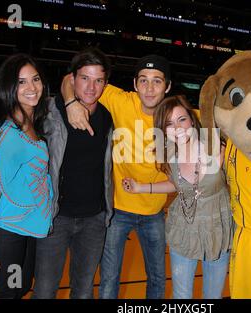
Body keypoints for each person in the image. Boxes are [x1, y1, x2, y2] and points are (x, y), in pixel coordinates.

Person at [62, 55, 171, 299]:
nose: (150, 88)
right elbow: (70, 79)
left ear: (168, 86)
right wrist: (70, 103)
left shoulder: (176, 116)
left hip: (154, 213)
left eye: (157, 81)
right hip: (117, 211)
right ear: (134, 84)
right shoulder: (120, 100)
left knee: (156, 278)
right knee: (109, 279)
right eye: (143, 81)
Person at [122, 95, 234, 299]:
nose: (178, 128)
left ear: (192, 119)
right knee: (181, 296)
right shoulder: (169, 153)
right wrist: (141, 187)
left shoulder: (217, 147)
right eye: (169, 124)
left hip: (217, 228)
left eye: (181, 119)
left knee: (212, 296)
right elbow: (177, 184)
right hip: (183, 229)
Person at [31, 47, 114, 299]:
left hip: (94, 220)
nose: (91, 87)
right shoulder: (50, 110)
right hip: (56, 218)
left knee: (84, 290)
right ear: (72, 79)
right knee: (45, 291)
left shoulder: (108, 118)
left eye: (98, 80)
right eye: (85, 78)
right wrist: (68, 101)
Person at [0, 54, 53, 299]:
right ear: (10, 88)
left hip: (27, 226)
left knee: (19, 287)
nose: (31, 88)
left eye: (35, 79)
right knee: (7, 293)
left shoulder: (32, 124)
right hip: (7, 230)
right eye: (21, 82)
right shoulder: (9, 136)